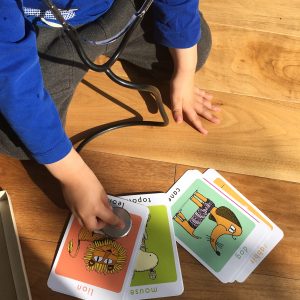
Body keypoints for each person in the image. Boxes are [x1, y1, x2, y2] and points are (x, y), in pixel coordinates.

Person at [0, 0, 220, 232]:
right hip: (36, 29)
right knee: (15, 141)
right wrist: (74, 175)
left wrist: (184, 72)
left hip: (117, 11)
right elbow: (12, 77)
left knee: (195, 46)